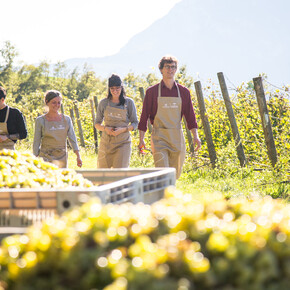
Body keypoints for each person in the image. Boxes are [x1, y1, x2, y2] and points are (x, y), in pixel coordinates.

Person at [138, 55, 201, 178]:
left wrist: (195, 136)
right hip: (159, 138)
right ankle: (162, 195)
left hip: (177, 138)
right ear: (161, 69)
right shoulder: (152, 92)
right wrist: (141, 139)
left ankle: (169, 196)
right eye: (167, 67)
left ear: (176, 70)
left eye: (173, 67)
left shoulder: (184, 92)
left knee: (174, 175)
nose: (170, 70)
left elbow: (190, 117)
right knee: (163, 173)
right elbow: (144, 116)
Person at [95, 74, 138, 168]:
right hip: (106, 143)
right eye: (112, 88)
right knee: (102, 174)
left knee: (120, 174)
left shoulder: (129, 103)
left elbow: (135, 123)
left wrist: (123, 130)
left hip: (123, 143)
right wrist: (105, 128)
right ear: (109, 89)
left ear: (121, 87)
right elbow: (97, 124)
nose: (115, 91)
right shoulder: (103, 103)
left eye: (117, 88)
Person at [33, 90, 82, 168]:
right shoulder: (40, 120)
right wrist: (34, 158)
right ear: (47, 102)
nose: (57, 105)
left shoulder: (67, 119)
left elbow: (72, 138)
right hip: (46, 157)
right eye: (54, 102)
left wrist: (78, 156)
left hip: (61, 157)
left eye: (59, 102)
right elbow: (36, 141)